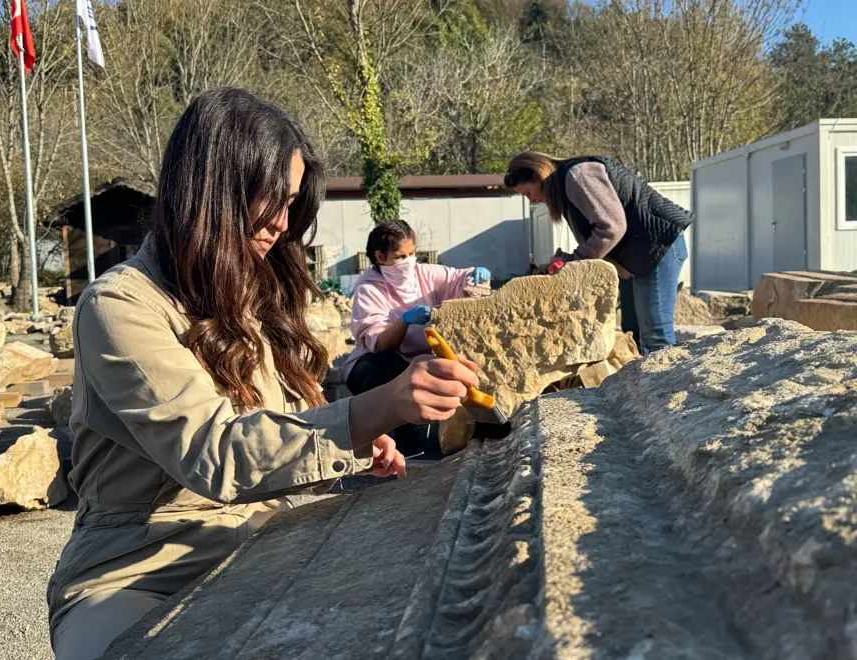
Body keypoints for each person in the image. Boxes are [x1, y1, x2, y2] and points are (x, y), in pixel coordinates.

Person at [46, 88, 479, 660]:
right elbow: (216, 453)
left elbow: (275, 431)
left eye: (292, 202)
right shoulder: (119, 306)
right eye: (270, 198)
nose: (281, 222)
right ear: (211, 187)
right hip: (137, 568)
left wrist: (348, 448)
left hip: (262, 541)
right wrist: (378, 407)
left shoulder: (252, 295)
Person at [504, 152, 692, 355]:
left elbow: (611, 227)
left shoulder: (578, 175)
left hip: (658, 247)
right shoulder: (566, 185)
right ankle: (644, 385)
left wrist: (575, 259)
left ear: (536, 176)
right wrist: (567, 259)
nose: (531, 200)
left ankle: (668, 385)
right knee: (632, 333)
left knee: (656, 336)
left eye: (527, 193)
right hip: (638, 257)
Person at [343, 220, 491, 457]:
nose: (409, 261)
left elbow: (456, 278)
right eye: (401, 256)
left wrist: (474, 276)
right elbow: (379, 342)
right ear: (381, 257)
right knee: (386, 367)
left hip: (419, 358)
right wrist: (404, 320)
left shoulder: (424, 274)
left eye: (413, 253)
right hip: (375, 365)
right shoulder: (369, 289)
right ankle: (406, 437)